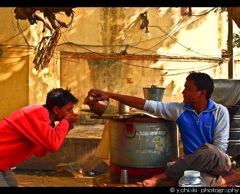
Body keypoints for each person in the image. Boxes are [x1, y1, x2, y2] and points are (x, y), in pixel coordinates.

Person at [87, 71, 235, 187]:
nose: (183, 92)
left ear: (202, 93)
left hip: (216, 161)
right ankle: (229, 178)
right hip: (192, 168)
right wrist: (111, 95)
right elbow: (147, 105)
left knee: (209, 151)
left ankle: (161, 177)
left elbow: (219, 149)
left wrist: (185, 160)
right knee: (186, 184)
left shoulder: (219, 111)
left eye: (188, 89)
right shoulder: (179, 110)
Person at [0, 88, 79, 187]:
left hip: (3, 166)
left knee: (12, 183)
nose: (72, 113)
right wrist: (65, 122)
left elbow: (41, 152)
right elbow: (53, 144)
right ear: (56, 109)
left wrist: (65, 129)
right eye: (69, 109)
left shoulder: (46, 122)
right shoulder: (37, 113)